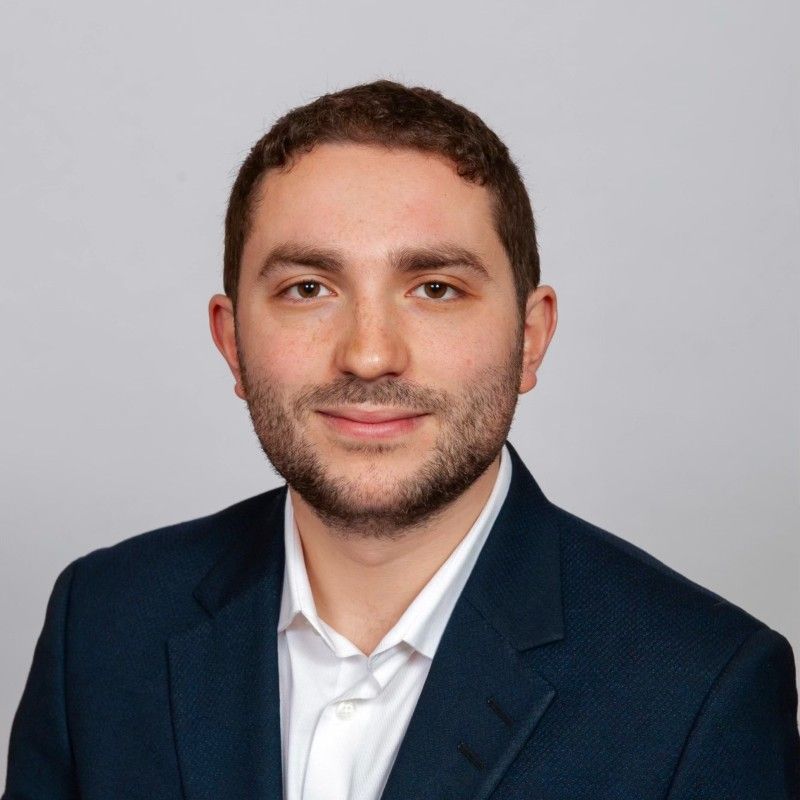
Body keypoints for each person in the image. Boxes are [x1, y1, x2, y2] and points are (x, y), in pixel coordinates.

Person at [4, 80, 799, 800]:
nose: (370, 353)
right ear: (233, 343)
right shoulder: (103, 626)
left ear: (530, 338)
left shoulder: (702, 691)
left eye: (435, 289)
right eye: (308, 288)